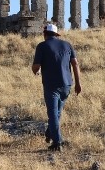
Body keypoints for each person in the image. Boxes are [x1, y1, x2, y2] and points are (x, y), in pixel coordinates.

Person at [31, 23, 82, 152]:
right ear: (57, 34)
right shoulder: (67, 45)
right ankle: (50, 132)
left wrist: (35, 71)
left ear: (45, 34)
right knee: (57, 112)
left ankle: (57, 142)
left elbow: (36, 66)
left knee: (53, 113)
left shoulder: (42, 46)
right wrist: (78, 83)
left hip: (51, 85)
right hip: (67, 85)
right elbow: (75, 64)